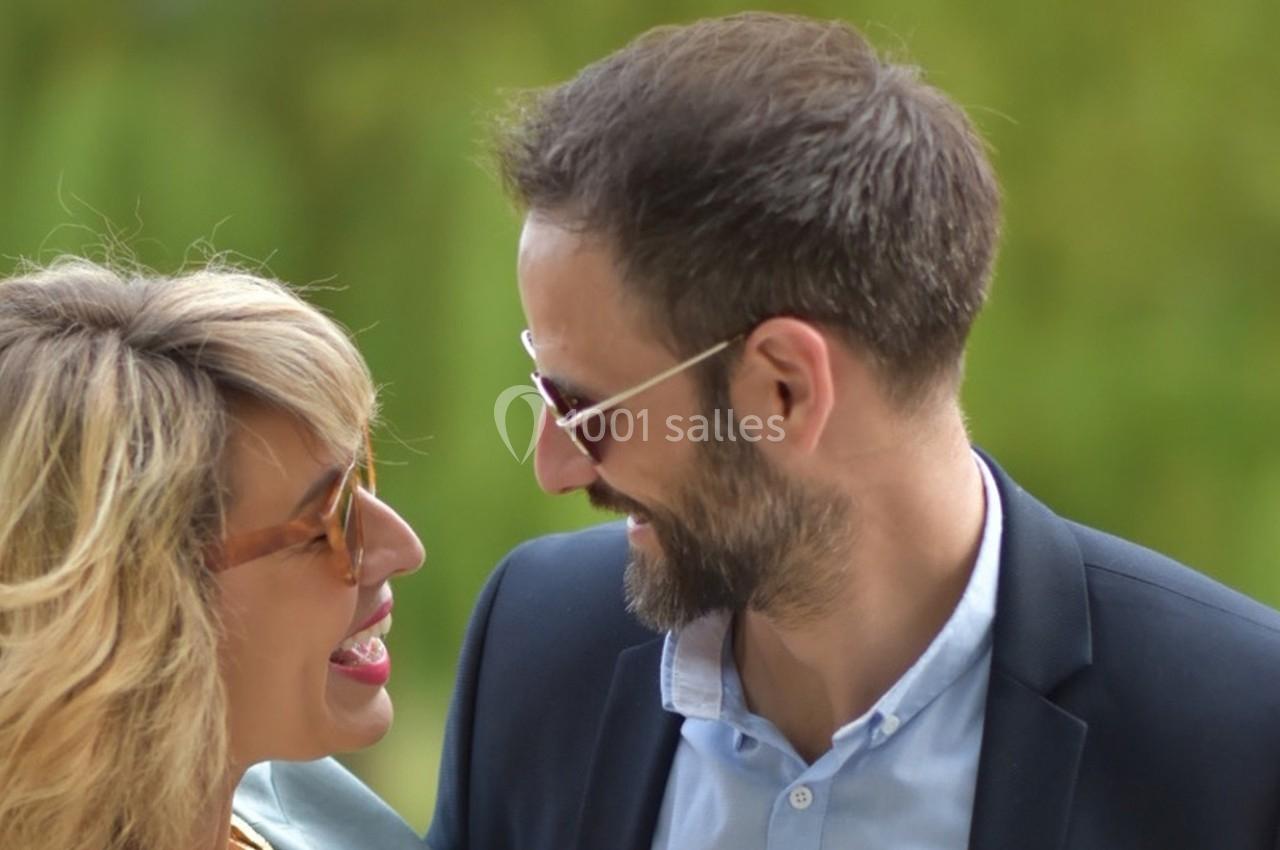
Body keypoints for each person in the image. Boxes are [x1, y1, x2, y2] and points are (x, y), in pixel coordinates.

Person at [426, 12, 1280, 850]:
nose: (554, 465)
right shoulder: (535, 646)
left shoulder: (1241, 744)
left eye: (586, 409)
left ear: (786, 389)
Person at [0, 258, 426, 850]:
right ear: (121, 614)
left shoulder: (334, 820)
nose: (404, 548)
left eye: (361, 475)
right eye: (330, 521)